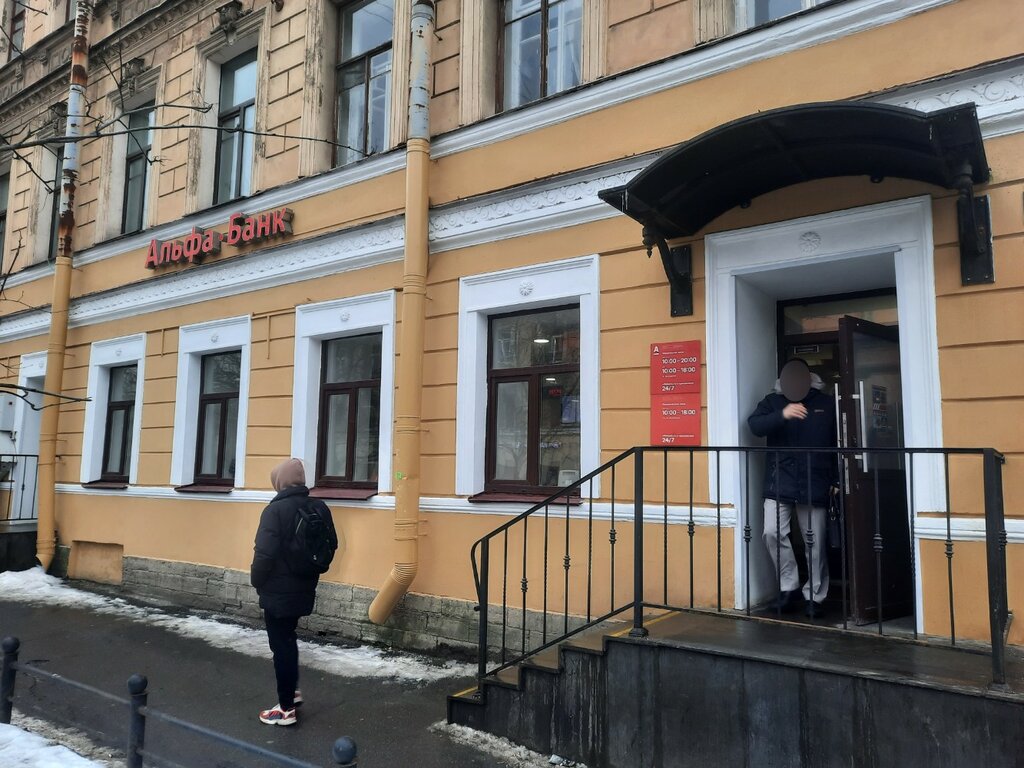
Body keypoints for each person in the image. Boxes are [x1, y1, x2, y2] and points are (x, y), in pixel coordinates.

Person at [748, 359, 837, 618]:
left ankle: (815, 596)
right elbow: (754, 425)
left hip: (814, 479)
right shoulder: (773, 401)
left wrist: (836, 479)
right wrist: (783, 414)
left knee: (814, 541)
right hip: (779, 480)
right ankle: (789, 587)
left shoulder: (825, 403)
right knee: (771, 532)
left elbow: (836, 441)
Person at [251, 458, 337, 726]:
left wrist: (256, 581)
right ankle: (292, 692)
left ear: (280, 482)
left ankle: (285, 709)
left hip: (277, 590)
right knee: (288, 638)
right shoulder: (318, 506)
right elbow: (332, 544)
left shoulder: (274, 511)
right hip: (305, 586)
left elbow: (264, 553)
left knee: (281, 645)